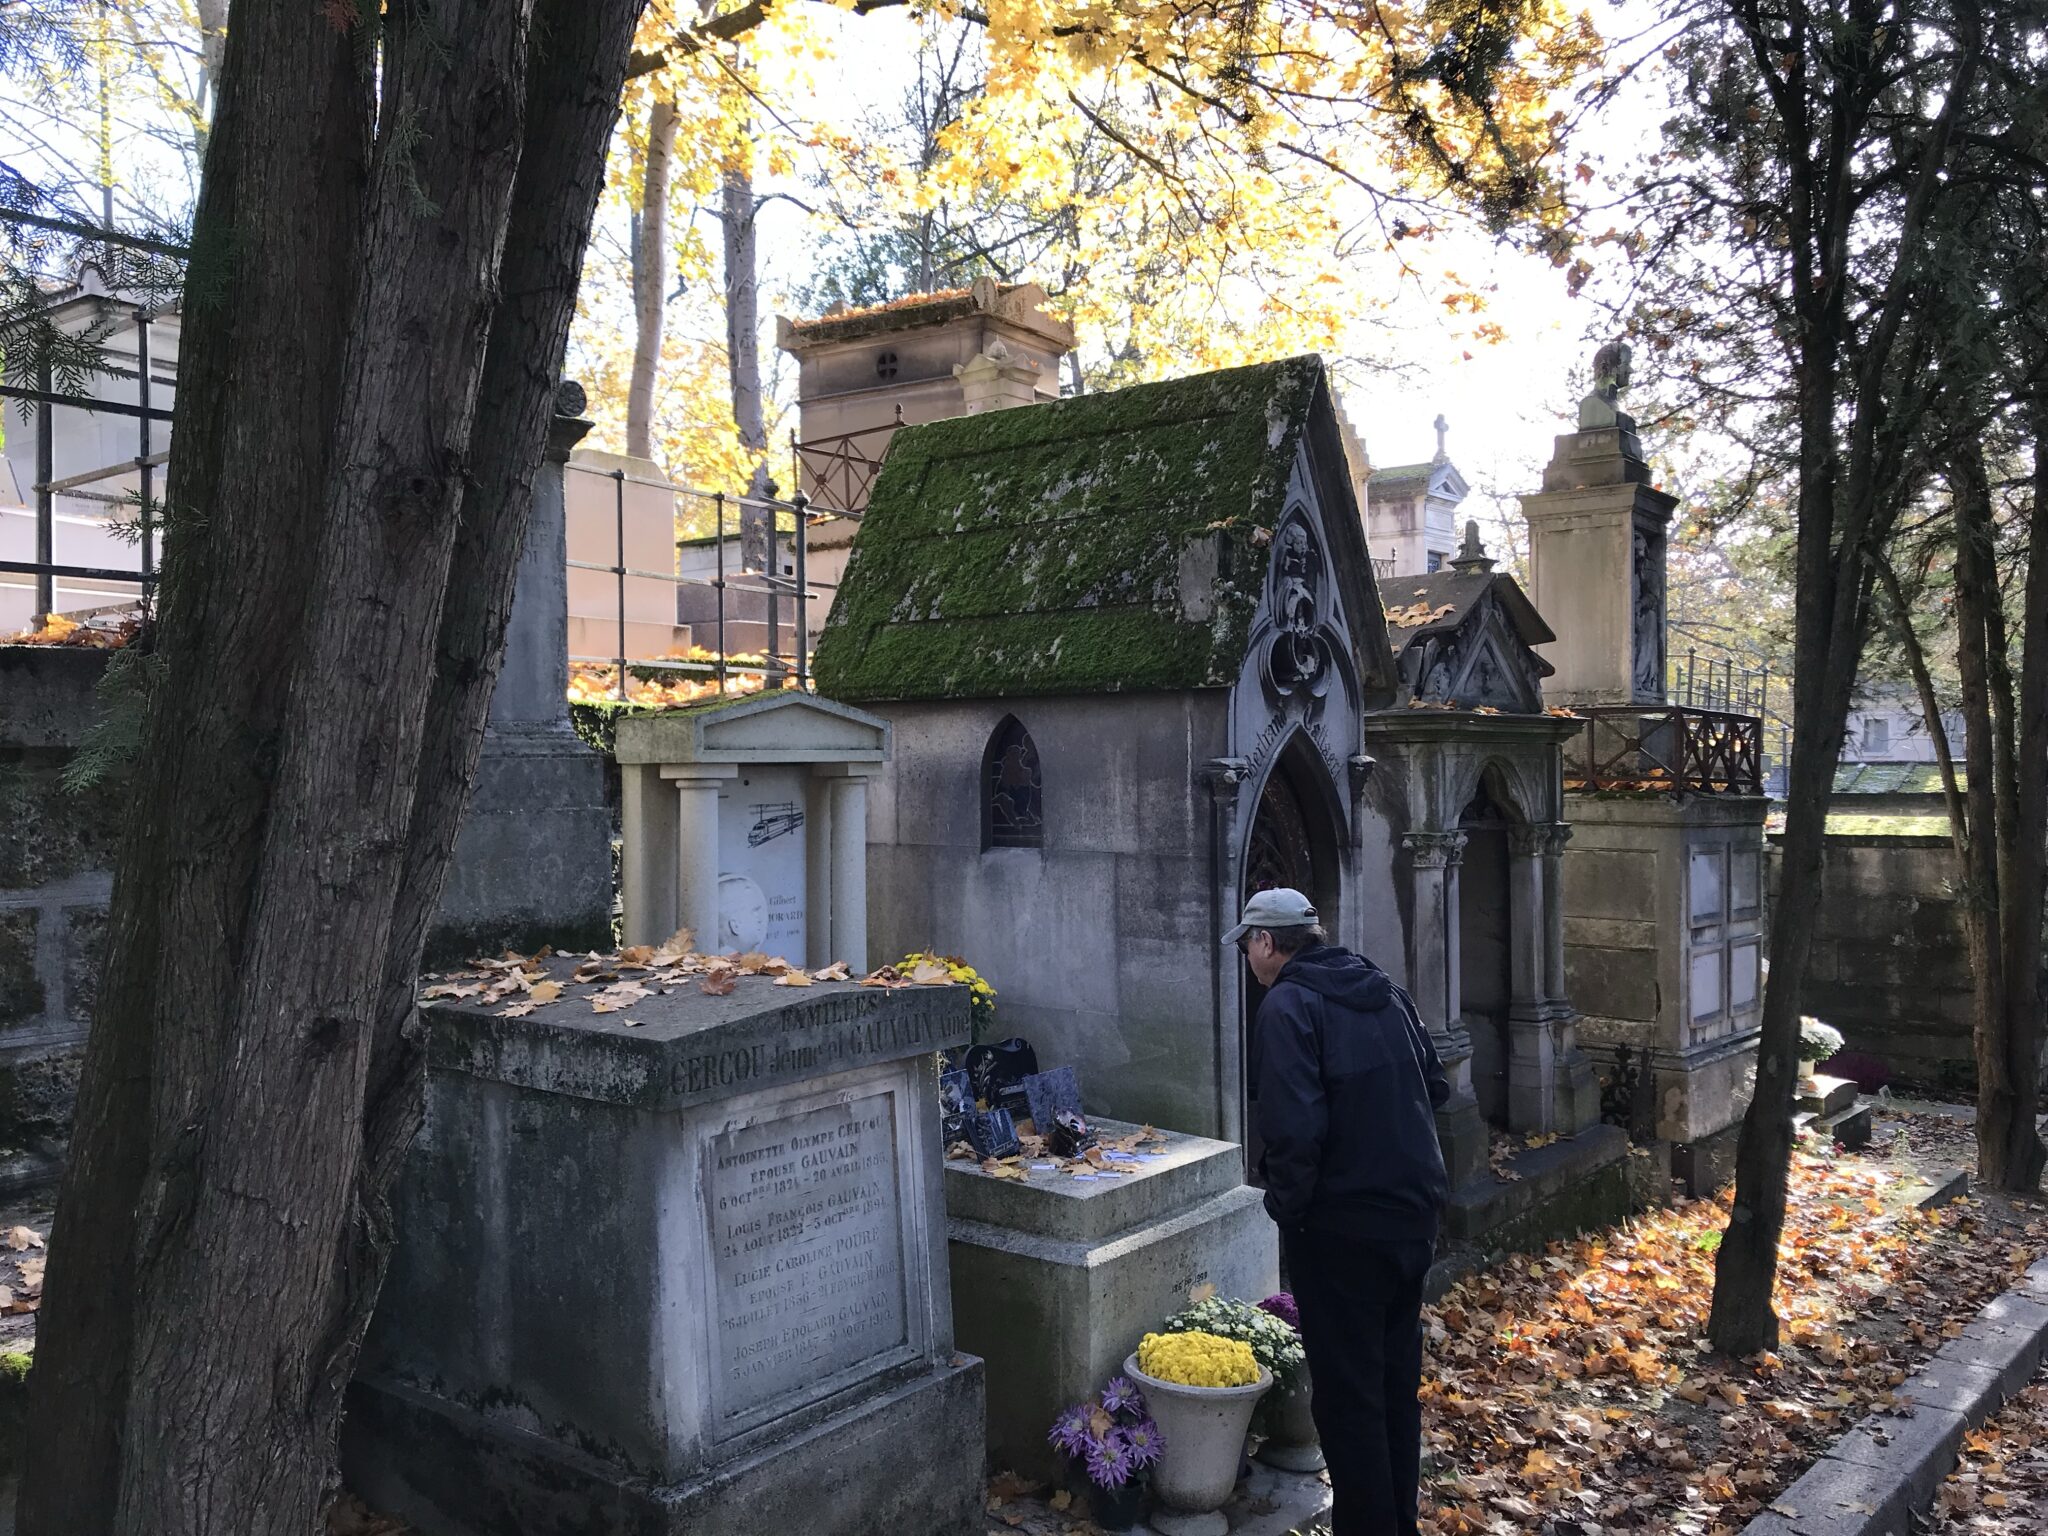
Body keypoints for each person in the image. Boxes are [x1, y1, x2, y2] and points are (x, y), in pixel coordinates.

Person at [1225, 887, 1450, 1536]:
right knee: (1392, 1388)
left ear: (1267, 942)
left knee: (1349, 1403)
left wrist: (1289, 1212)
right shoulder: (1383, 988)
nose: (1246, 956)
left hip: (1342, 1230)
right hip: (1413, 1217)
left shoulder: (1287, 1005)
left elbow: (1293, 1132)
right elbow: (1434, 1085)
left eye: (1248, 944)